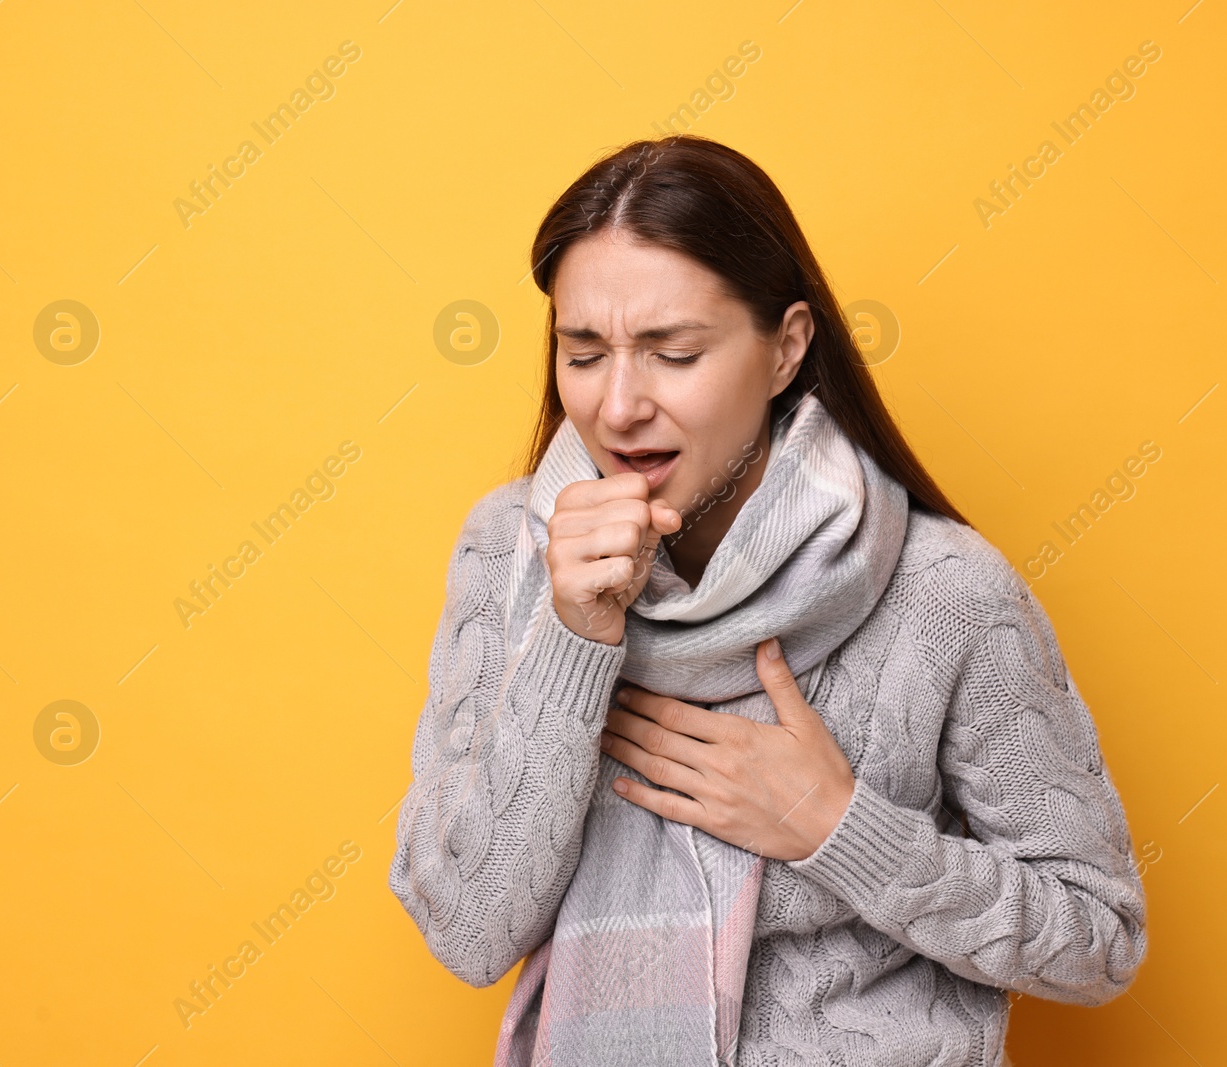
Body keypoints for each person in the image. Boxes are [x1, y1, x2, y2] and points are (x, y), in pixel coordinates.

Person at [389, 134, 1147, 1067]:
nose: (618, 405)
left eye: (672, 353)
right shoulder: (507, 550)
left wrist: (840, 829)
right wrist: (572, 638)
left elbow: (1098, 937)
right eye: (583, 354)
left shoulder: (946, 593)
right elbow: (465, 929)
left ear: (786, 348)